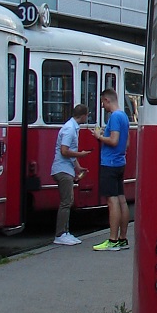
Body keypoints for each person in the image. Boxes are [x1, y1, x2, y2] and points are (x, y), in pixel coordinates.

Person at [93, 88, 130, 251]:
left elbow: (113, 140)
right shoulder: (124, 116)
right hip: (120, 161)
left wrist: (99, 136)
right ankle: (123, 238)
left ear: (108, 100)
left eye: (103, 102)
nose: (103, 106)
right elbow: (125, 142)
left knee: (112, 200)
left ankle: (113, 240)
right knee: (121, 199)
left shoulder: (114, 117)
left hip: (110, 163)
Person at [51, 104, 90, 246]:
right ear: (83, 115)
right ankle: (60, 234)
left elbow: (69, 153)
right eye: (87, 115)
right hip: (62, 170)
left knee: (68, 201)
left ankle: (65, 232)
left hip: (65, 169)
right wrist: (81, 154)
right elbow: (64, 151)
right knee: (66, 202)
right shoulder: (69, 129)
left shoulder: (72, 128)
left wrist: (78, 168)